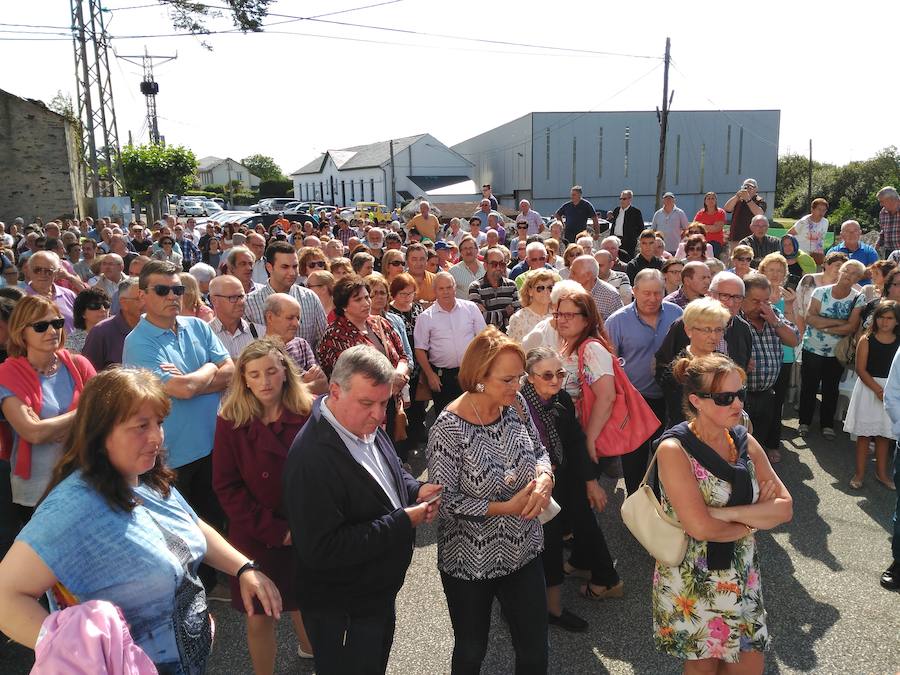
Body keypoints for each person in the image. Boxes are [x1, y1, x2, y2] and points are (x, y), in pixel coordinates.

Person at [0, 367, 282, 674]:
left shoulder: (144, 477)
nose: (156, 437)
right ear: (100, 433)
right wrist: (77, 652)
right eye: (140, 426)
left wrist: (243, 568)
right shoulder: (73, 507)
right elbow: (5, 596)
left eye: (158, 423)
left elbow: (189, 526)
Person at [284, 345, 439, 674]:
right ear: (335, 391)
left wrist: (414, 488)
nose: (379, 415)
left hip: (374, 596)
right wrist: (401, 522)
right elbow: (321, 549)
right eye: (367, 403)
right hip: (343, 610)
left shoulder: (359, 424)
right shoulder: (312, 458)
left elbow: (389, 467)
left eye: (384, 403)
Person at [653, 353, 792, 671]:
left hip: (742, 572)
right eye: (724, 397)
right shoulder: (674, 449)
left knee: (749, 666)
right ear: (696, 400)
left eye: (739, 394)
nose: (737, 404)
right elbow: (700, 529)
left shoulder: (745, 441)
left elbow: (784, 508)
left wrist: (725, 514)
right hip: (694, 577)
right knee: (704, 668)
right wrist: (755, 519)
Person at [426, 327, 553, 674]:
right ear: (479, 378)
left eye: (520, 377)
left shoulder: (515, 404)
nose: (518, 386)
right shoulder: (448, 428)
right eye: (508, 379)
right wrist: (502, 508)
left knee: (534, 647)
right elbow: (444, 500)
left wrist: (545, 478)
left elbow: (540, 450)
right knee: (471, 650)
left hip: (523, 549)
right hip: (471, 562)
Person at [123, 259, 235, 591]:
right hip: (171, 454)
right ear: (143, 295)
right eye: (162, 290)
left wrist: (195, 378)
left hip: (214, 445)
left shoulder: (198, 326)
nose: (173, 296)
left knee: (214, 518)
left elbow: (230, 368)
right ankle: (194, 592)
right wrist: (207, 372)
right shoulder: (138, 342)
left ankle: (216, 583)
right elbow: (181, 390)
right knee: (182, 529)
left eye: (178, 289)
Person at [213, 338, 315, 671]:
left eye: (271, 371)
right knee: (259, 616)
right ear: (243, 379)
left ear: (285, 372)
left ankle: (311, 652)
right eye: (254, 374)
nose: (264, 381)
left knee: (305, 604)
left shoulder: (309, 412)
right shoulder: (230, 420)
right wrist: (276, 531)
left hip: (303, 529)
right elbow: (227, 486)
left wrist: (301, 528)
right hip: (256, 535)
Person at [520, 347, 614, 632]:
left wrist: (590, 481)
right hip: (532, 482)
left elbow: (574, 439)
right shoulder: (518, 403)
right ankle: (551, 608)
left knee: (583, 520)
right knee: (546, 544)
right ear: (530, 378)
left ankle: (599, 574)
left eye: (559, 373)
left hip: (563, 472)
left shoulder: (560, 398)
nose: (555, 380)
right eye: (547, 375)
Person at [0, 296, 95, 526]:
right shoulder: (8, 373)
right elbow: (33, 433)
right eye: (41, 326)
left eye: (57, 323)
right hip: (38, 487)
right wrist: (82, 414)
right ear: (21, 332)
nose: (52, 331)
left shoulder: (78, 364)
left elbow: (107, 408)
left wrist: (53, 424)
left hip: (86, 477)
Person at [605, 269, 683, 494]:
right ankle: (635, 504)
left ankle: (662, 504)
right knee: (634, 459)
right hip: (634, 401)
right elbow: (609, 364)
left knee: (666, 455)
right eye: (646, 293)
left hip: (669, 399)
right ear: (634, 291)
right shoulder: (617, 321)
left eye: (657, 293)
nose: (652, 299)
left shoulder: (676, 313)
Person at [798, 259, 866, 439]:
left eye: (853, 274)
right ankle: (804, 422)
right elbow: (810, 318)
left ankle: (827, 424)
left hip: (837, 351)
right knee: (808, 386)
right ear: (840, 271)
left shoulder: (858, 298)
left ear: (858, 278)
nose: (848, 275)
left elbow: (851, 327)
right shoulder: (820, 292)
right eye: (846, 271)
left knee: (831, 387)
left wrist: (824, 325)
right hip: (812, 347)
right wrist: (838, 323)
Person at [740, 273, 801, 463]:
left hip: (767, 392)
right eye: (755, 301)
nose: (761, 306)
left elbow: (793, 340)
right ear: (742, 298)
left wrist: (775, 321)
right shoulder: (734, 319)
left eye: (765, 300)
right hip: (742, 395)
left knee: (760, 440)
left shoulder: (773, 314)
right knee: (741, 442)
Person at [843, 301, 900, 490]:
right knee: (864, 435)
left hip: (890, 391)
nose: (885, 322)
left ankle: (882, 473)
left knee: (884, 435)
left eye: (890, 318)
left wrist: (887, 393)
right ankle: (859, 474)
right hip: (869, 390)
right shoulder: (867, 339)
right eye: (881, 317)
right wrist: (878, 390)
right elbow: (860, 369)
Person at [414, 272, 487, 416]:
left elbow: (484, 339)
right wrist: (430, 375)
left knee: (475, 415)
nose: (446, 292)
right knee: (446, 418)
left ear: (455, 288)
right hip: (443, 378)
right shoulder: (425, 317)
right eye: (441, 288)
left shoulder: (471, 308)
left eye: (449, 287)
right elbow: (420, 349)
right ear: (434, 291)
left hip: (470, 374)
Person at [656, 297, 732, 429]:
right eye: (707, 330)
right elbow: (681, 416)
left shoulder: (725, 362)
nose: (713, 336)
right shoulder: (677, 370)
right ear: (688, 330)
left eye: (718, 329)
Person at [245, 241, 327, 349]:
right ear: (269, 267)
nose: (292, 272)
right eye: (285, 267)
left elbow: (323, 341)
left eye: (295, 266)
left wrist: (315, 364)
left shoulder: (310, 298)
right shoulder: (249, 304)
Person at [758, 254, 799, 456]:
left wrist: (790, 306)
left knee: (777, 401)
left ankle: (773, 443)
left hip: (784, 355)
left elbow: (797, 330)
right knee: (757, 401)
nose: (775, 274)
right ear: (762, 271)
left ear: (785, 274)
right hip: (760, 354)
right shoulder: (756, 295)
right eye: (771, 269)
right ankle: (755, 442)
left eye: (779, 270)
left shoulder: (789, 296)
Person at [262, 294, 327, 395]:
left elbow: (322, 385)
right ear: (270, 317)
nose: (296, 324)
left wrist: (292, 388)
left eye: (298, 318)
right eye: (290, 318)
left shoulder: (302, 345)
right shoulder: (260, 353)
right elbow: (274, 395)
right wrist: (303, 382)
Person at [82, 278, 143, 371]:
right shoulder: (101, 332)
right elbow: (88, 373)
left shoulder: (158, 327)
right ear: (123, 303)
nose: (146, 303)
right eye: (139, 299)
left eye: (148, 297)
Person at [209, 275, 264, 359]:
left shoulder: (260, 333)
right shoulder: (204, 335)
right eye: (233, 297)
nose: (241, 302)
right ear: (214, 300)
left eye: (242, 296)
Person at [795, 251, 849, 337]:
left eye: (843, 267)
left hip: (832, 335)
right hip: (805, 330)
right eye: (838, 265)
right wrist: (801, 335)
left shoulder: (846, 287)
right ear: (826, 264)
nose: (840, 269)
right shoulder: (809, 280)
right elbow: (799, 309)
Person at [468, 246, 520, 332]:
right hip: (486, 339)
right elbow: (479, 318)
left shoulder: (512, 285)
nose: (499, 268)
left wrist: (490, 314)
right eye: (494, 264)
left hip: (508, 338)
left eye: (502, 264)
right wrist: (505, 313)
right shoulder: (475, 287)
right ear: (485, 265)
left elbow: (518, 315)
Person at [23, 252, 77, 332]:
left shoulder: (69, 295)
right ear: (28, 270)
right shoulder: (22, 299)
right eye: (37, 270)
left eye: (48, 271)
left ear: (56, 272)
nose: (42, 274)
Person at [508, 269, 557, 343]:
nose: (546, 292)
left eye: (550, 288)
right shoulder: (519, 319)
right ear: (530, 291)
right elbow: (516, 351)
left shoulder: (558, 316)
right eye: (540, 288)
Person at [569, 255, 623, 322]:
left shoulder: (610, 295)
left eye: (573, 273)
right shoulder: (567, 292)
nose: (570, 276)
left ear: (588, 275)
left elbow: (620, 323)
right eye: (570, 271)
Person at [65, 287, 110, 354]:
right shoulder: (73, 341)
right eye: (95, 305)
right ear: (82, 313)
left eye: (106, 304)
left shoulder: (117, 331)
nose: (103, 309)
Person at [724, 177, 767, 245]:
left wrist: (748, 199)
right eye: (746, 187)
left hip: (752, 238)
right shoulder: (738, 200)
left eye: (751, 187)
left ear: (756, 189)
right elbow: (727, 209)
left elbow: (759, 213)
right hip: (735, 237)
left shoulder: (759, 201)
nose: (748, 189)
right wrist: (737, 196)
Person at [788, 198, 830, 265]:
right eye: (819, 209)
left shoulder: (826, 222)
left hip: (817, 256)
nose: (821, 212)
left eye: (824, 210)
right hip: (800, 256)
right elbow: (789, 234)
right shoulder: (803, 222)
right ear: (812, 209)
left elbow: (821, 239)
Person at [608, 189, 644, 258]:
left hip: (629, 243)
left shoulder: (636, 212)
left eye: (624, 199)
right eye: (620, 198)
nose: (621, 201)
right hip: (615, 240)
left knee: (627, 261)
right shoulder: (616, 210)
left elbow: (641, 228)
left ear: (630, 199)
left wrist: (632, 237)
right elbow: (614, 225)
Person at [693, 192, 727, 258]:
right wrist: (710, 227)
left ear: (716, 201)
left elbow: (716, 229)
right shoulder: (700, 213)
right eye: (708, 198)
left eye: (713, 198)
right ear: (705, 201)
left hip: (716, 242)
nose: (710, 200)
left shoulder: (720, 212)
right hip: (702, 242)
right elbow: (695, 227)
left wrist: (702, 226)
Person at [877, 186, 900, 258]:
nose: (881, 204)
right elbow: (883, 230)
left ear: (891, 199)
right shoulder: (883, 212)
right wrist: (878, 243)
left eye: (882, 201)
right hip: (889, 253)